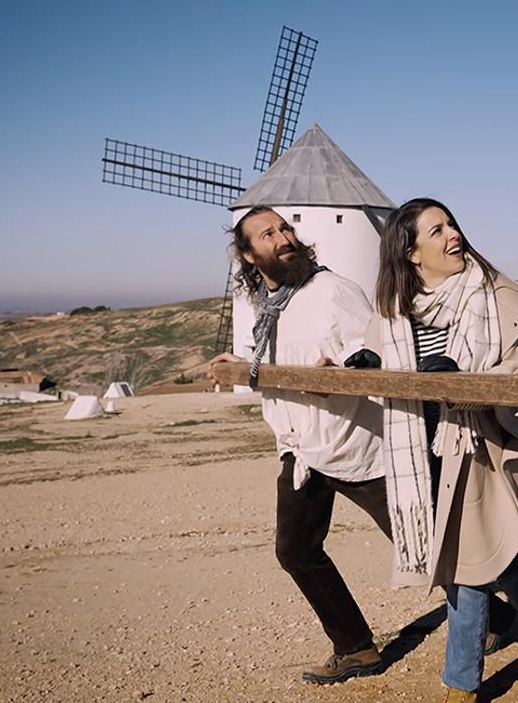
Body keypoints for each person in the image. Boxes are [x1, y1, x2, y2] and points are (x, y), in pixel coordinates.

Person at [366, 198, 518, 703]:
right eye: (436, 231)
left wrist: (464, 383)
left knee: (467, 568)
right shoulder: (394, 313)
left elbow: (514, 372)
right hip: (423, 456)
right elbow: (386, 379)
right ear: (411, 253)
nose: (452, 234)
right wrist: (367, 369)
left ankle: (461, 684)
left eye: (451, 224)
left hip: (478, 448)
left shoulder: (493, 296)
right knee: (496, 560)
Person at [208, 206, 391, 685]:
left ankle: (501, 618)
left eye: (285, 228)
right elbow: (281, 356)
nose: (284, 237)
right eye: (268, 234)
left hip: (355, 444)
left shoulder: (332, 291)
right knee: (295, 550)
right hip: (300, 449)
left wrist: (341, 377)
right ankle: (355, 647)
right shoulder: (269, 309)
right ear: (249, 256)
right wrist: (241, 361)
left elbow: (374, 358)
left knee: (423, 544)